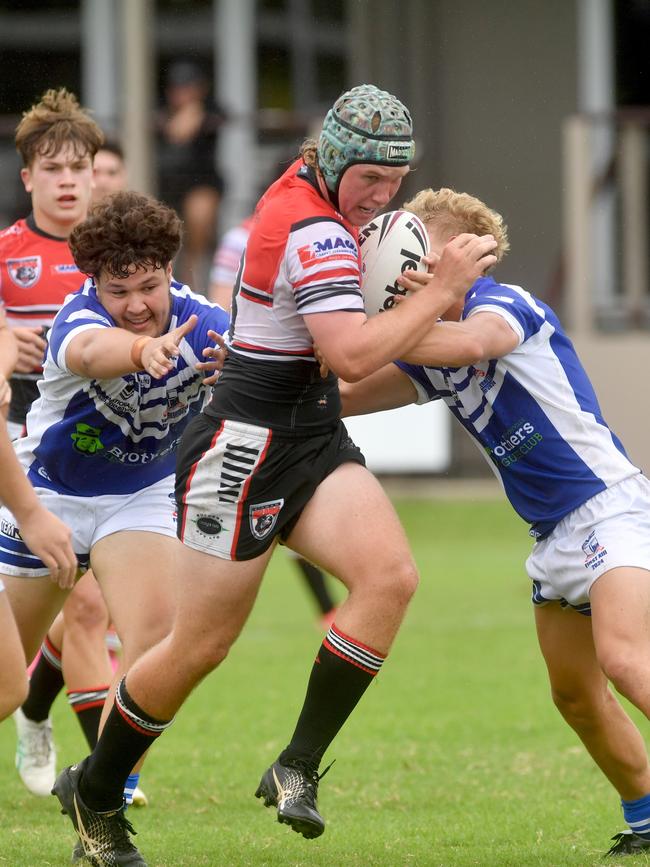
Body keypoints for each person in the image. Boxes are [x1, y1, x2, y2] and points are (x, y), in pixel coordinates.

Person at [52, 84, 497, 866]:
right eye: (371, 179)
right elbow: (354, 353)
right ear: (331, 158)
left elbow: (340, 358)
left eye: (396, 182)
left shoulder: (326, 201)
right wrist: (442, 294)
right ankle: (97, 791)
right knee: (196, 646)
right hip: (242, 447)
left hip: (312, 431)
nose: (384, 198)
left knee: (389, 577)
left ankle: (295, 763)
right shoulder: (311, 227)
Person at [338, 185, 650, 858]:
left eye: (413, 254)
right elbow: (345, 387)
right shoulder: (429, 349)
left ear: (454, 257)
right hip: (554, 538)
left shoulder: (503, 305)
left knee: (626, 658)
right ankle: (647, 816)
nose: (401, 272)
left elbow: (470, 343)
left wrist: (398, 318)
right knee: (574, 694)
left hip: (610, 508)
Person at [0, 190, 228, 862]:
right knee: (6, 679)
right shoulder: (78, 319)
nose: (135, 302)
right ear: (94, 283)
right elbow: (94, 351)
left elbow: (255, 378)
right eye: (118, 288)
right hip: (48, 496)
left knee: (158, 645)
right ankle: (34, 717)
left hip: (140, 494)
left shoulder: (207, 323)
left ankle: (100, 799)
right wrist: (141, 351)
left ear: (170, 272)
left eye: (149, 286)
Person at [0, 87, 120, 799]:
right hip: (16, 459)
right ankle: (32, 710)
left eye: (80, 165)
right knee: (37, 620)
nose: (69, 179)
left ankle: (109, 775)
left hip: (100, 458)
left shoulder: (115, 254)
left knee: (86, 606)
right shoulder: (6, 255)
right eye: (53, 168)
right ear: (28, 179)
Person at [209, 213, 339, 628]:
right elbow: (219, 306)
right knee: (246, 510)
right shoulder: (243, 237)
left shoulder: (337, 239)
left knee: (302, 495)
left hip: (307, 393)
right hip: (250, 395)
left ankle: (327, 609)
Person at [156, 60, 225, 291]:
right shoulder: (160, 111)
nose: (182, 94)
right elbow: (175, 131)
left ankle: (193, 276)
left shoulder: (211, 110)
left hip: (202, 182)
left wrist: (194, 110)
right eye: (178, 89)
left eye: (188, 88)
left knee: (198, 217)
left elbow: (184, 131)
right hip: (167, 187)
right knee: (164, 237)